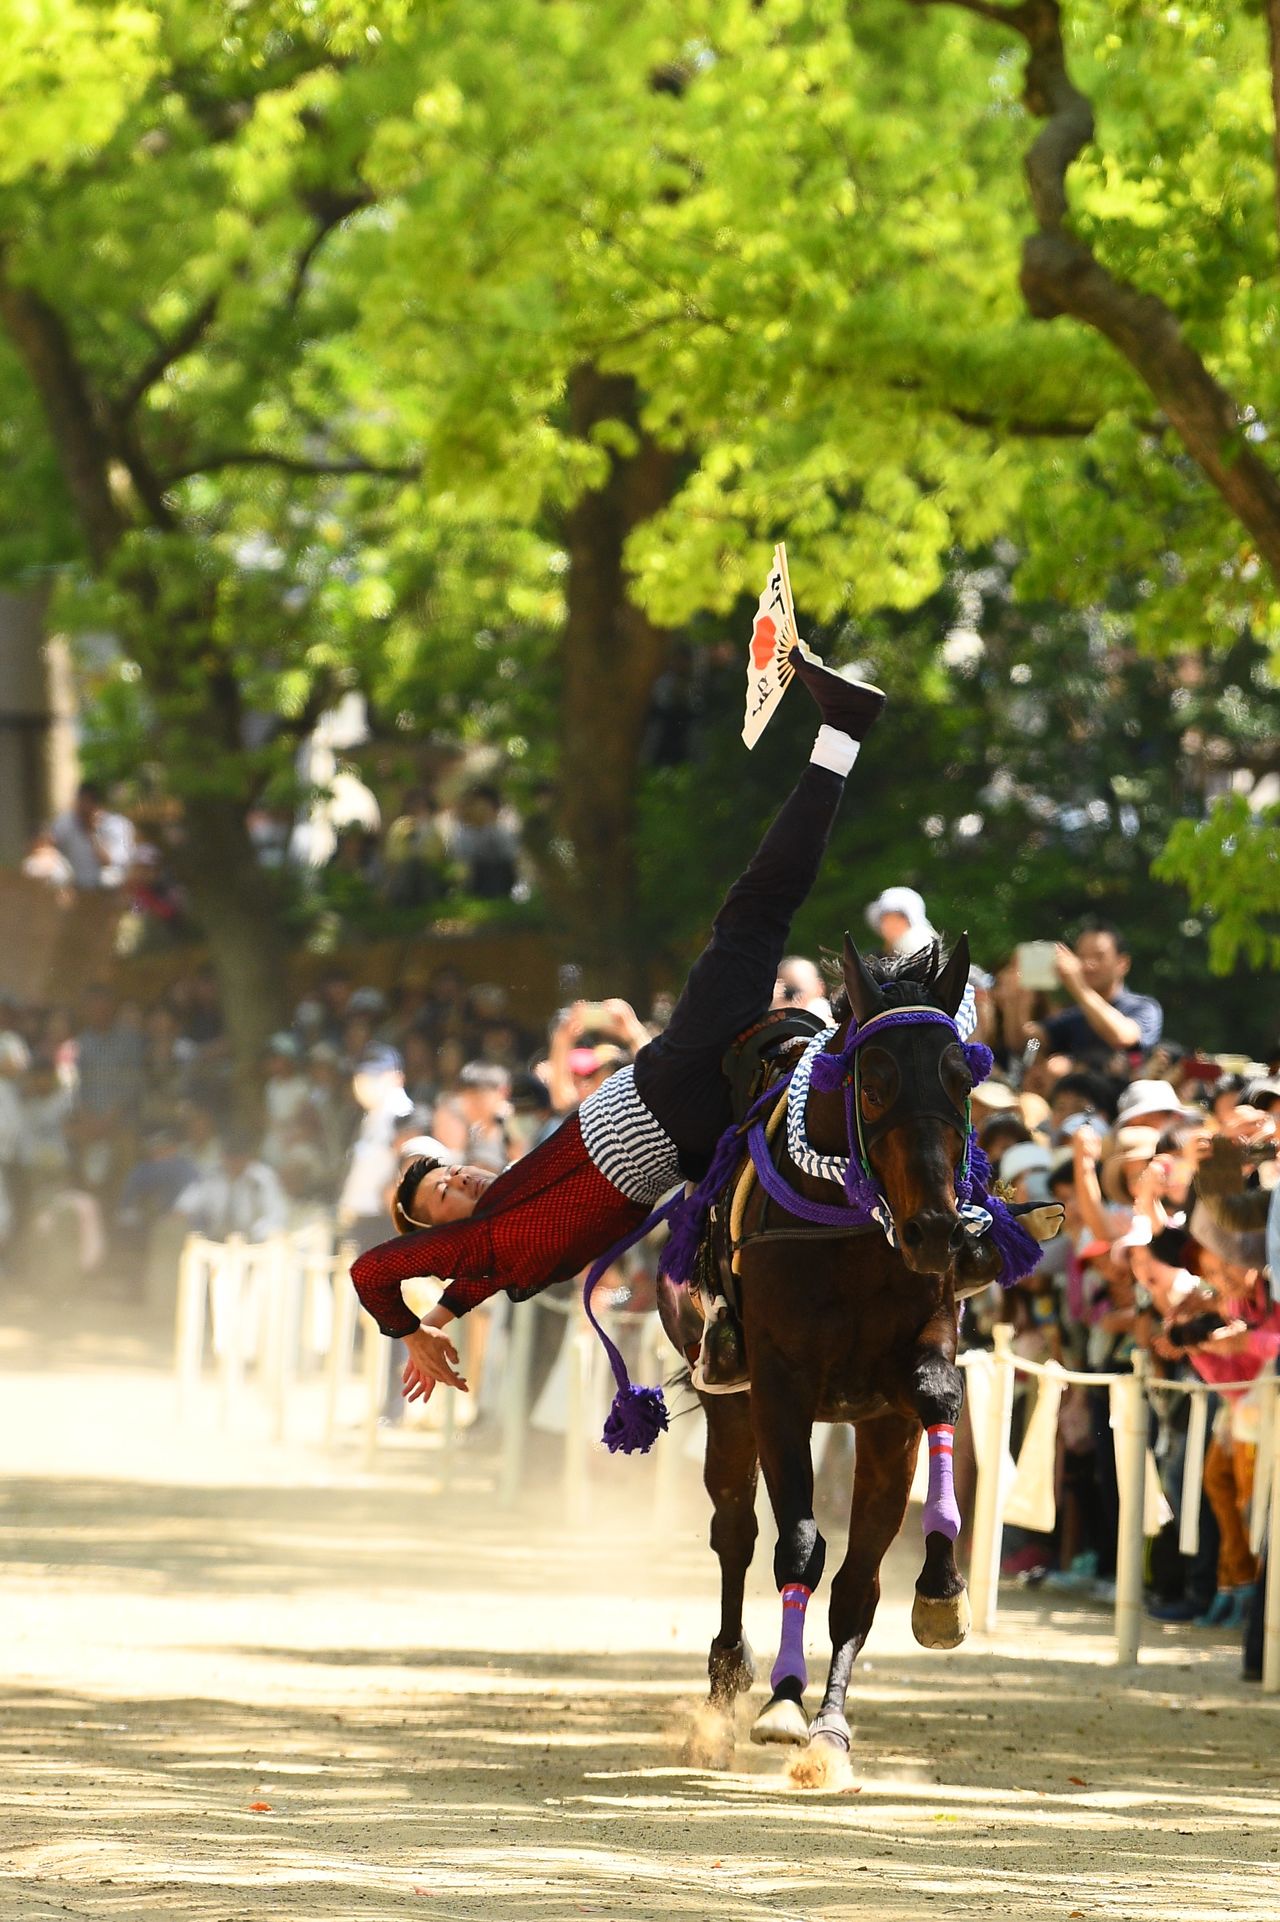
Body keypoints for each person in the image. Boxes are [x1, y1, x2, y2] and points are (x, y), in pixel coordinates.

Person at [351, 652, 902, 1403]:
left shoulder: (495, 1241)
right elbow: (372, 1271)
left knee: (801, 1021)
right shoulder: (484, 1243)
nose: (456, 1178)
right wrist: (412, 1329)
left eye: (446, 1169)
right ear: (436, 1234)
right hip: (675, 1101)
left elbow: (476, 1279)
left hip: (678, 1112)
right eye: (442, 1196)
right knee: (755, 916)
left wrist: (439, 1315)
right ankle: (843, 728)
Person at [1023, 926, 1163, 1065]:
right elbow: (1032, 1041)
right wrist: (1018, 1003)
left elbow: (1123, 1038)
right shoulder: (1076, 1015)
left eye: (1099, 956)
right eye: (1082, 956)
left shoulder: (1143, 1007)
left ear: (1122, 963)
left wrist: (1079, 987)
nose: (1088, 965)